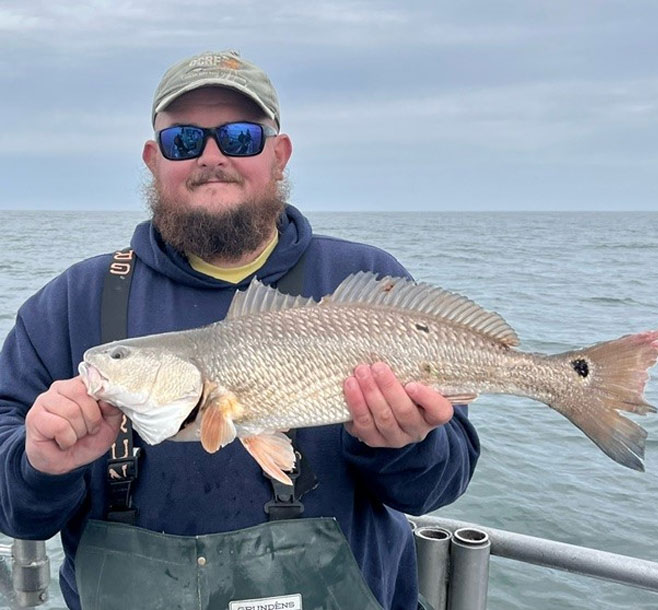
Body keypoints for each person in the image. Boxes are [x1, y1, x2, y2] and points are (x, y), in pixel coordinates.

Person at [0, 50, 479, 610]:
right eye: (184, 141)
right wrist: (39, 465)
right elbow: (14, 510)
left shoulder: (368, 283)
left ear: (279, 155)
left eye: (240, 137)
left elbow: (437, 486)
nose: (211, 157)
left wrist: (404, 446)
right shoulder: (72, 303)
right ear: (154, 160)